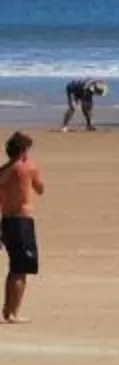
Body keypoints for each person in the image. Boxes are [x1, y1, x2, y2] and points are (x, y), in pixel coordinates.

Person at [0, 132, 40, 324]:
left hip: (6, 220)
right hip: (22, 221)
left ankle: (8, 310)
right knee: (21, 269)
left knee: (14, 266)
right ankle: (13, 312)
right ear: (23, 151)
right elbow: (40, 188)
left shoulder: (3, 171)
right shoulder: (26, 168)